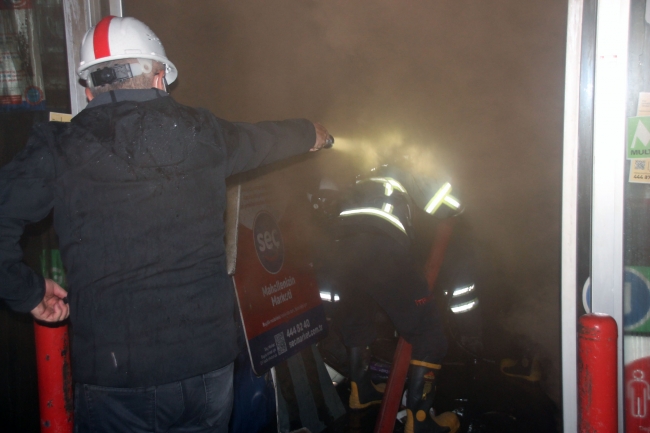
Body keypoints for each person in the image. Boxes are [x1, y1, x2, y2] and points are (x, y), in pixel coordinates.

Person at [0, 15, 331, 433]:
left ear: (88, 89)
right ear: (159, 78)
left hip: (117, 379)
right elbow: (264, 139)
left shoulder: (59, 147)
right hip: (207, 370)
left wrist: (27, 291)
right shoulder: (205, 133)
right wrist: (310, 133)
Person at [312, 162, 463, 433]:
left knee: (357, 317)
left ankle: (361, 392)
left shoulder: (362, 174)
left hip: (341, 252)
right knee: (428, 331)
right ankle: (419, 421)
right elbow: (445, 204)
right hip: (380, 247)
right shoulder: (405, 165)